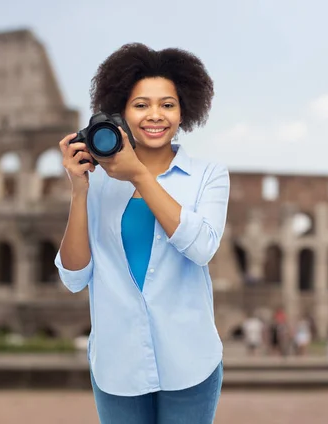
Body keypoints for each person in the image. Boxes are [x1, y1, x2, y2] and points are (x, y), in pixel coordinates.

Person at [55, 43, 229, 424]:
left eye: (167, 104)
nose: (155, 115)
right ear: (122, 112)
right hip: (118, 363)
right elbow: (73, 277)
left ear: (184, 111)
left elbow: (202, 248)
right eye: (141, 105)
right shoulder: (97, 184)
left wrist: (138, 174)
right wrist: (79, 190)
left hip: (190, 360)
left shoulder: (208, 176)